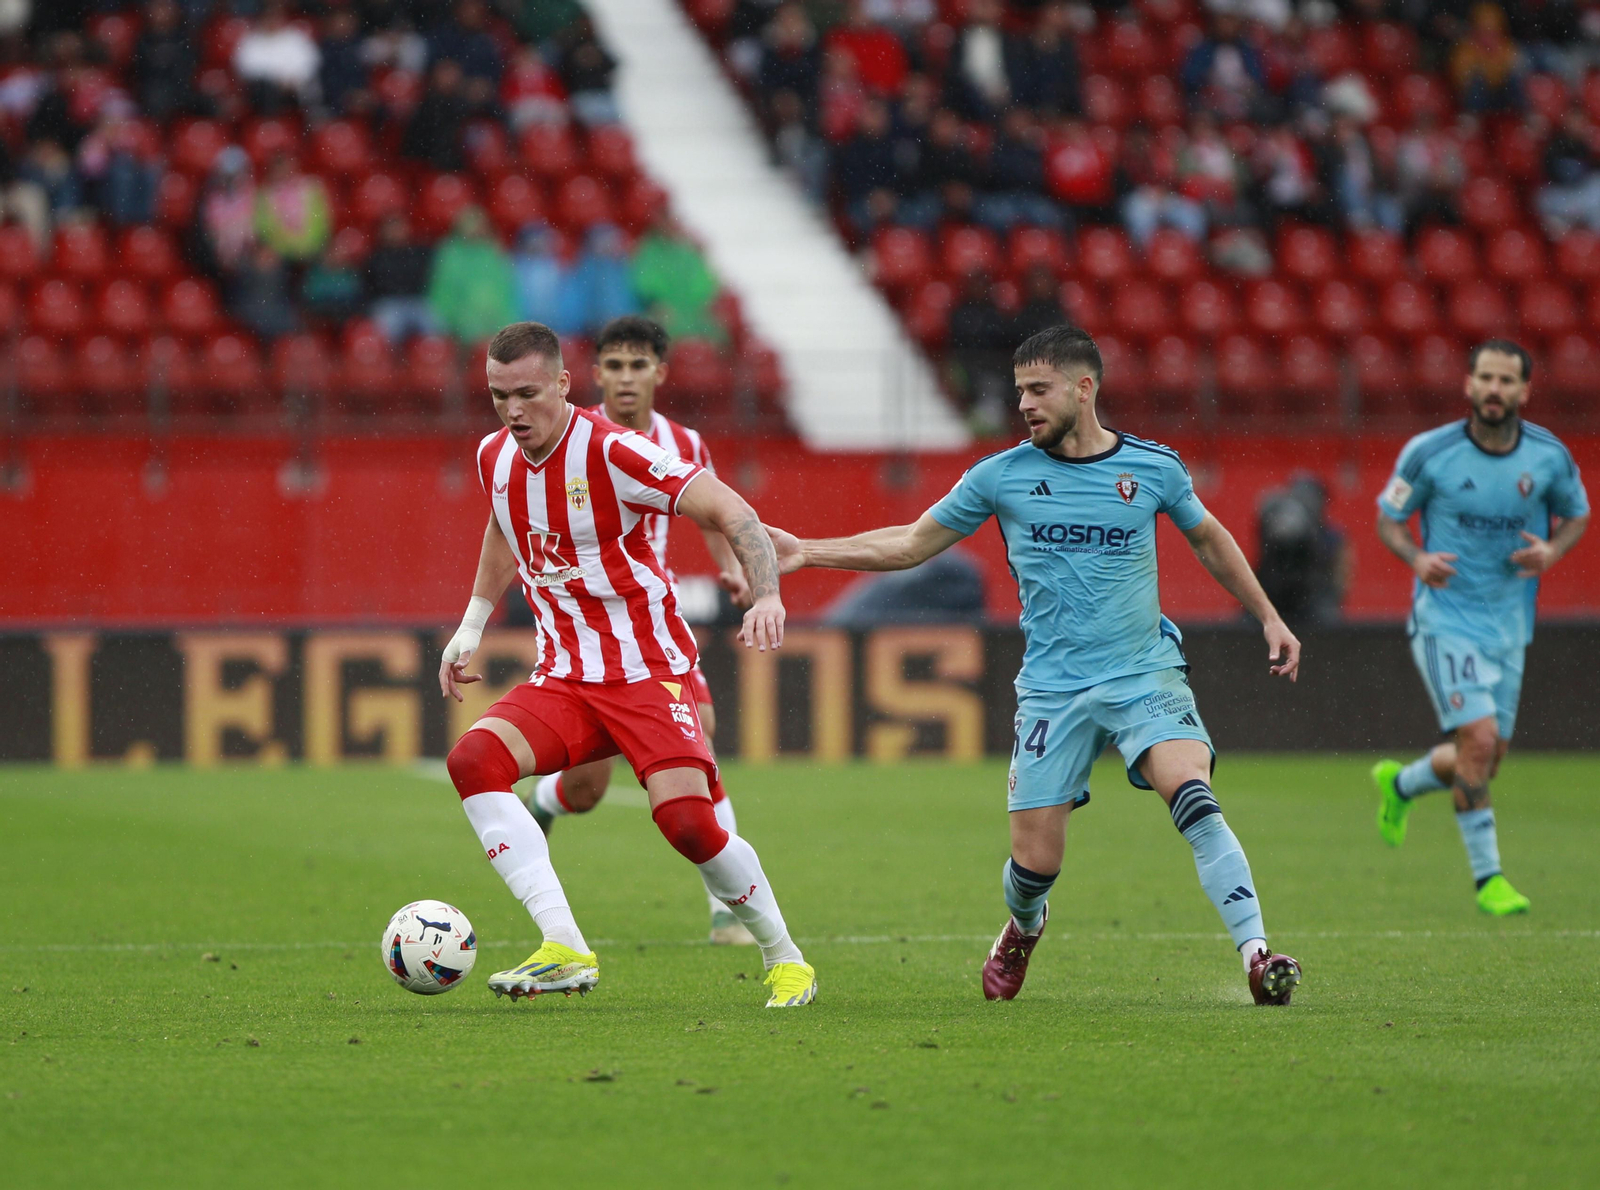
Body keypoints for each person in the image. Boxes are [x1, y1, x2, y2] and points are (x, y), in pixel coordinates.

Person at [766, 325, 1305, 1005]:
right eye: (1020, 389)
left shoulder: (1153, 469)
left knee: (1191, 793)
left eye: (1039, 389)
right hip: (1053, 688)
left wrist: (1268, 615)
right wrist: (810, 551)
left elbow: (1209, 539)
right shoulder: (1002, 476)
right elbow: (909, 543)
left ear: (1085, 389)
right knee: (1035, 863)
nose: (1023, 403)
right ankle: (1024, 927)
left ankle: (1257, 955)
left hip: (1144, 672)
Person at [437, 320, 816, 1007]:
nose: (514, 411)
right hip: (566, 677)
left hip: (648, 672)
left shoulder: (615, 451)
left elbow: (732, 510)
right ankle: (565, 947)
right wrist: (471, 624)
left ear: (562, 383)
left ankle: (785, 957)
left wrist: (766, 594)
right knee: (472, 762)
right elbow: (502, 522)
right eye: (498, 396)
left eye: (527, 394)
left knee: (689, 825)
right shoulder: (493, 455)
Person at [522, 315, 759, 947]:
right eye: (615, 366)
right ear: (595, 374)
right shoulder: (572, 437)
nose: (626, 379)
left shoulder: (687, 443)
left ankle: (726, 912)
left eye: (639, 366)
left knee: (699, 742)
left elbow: (710, 514)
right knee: (587, 787)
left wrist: (732, 570)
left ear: (660, 373)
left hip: (651, 627)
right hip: (581, 628)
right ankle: (547, 801)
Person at [1371, 340, 1589, 916]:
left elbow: (1579, 514)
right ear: (1468, 384)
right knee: (1481, 741)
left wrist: (1552, 550)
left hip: (1510, 624)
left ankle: (1401, 786)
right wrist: (1417, 559)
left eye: (1506, 381)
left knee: (1482, 760)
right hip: (1446, 619)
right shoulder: (1429, 453)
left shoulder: (1548, 457)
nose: (1495, 390)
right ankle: (1489, 879)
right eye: (1485, 378)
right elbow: (1389, 520)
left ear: (1524, 391)